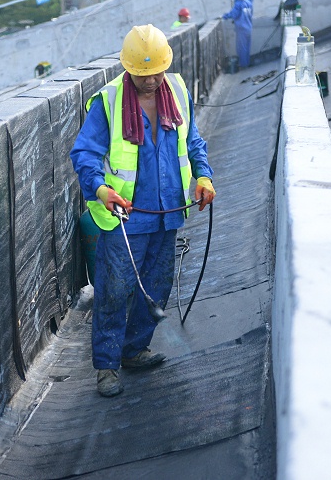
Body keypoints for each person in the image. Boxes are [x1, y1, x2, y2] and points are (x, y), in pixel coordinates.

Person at [69, 25, 215, 397]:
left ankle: (134, 349)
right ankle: (107, 365)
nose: (151, 81)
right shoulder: (109, 101)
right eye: (143, 75)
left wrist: (204, 178)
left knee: (156, 285)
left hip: (167, 211)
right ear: (129, 69)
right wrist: (101, 190)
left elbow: (192, 142)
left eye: (156, 73)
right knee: (115, 290)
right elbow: (84, 154)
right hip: (125, 216)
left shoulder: (178, 93)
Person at [223, 0, 253, 68]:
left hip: (241, 29)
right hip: (249, 28)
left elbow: (233, 14)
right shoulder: (249, 3)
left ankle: (243, 65)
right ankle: (247, 63)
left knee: (241, 48)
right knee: (247, 47)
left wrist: (224, 16)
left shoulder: (238, 4)